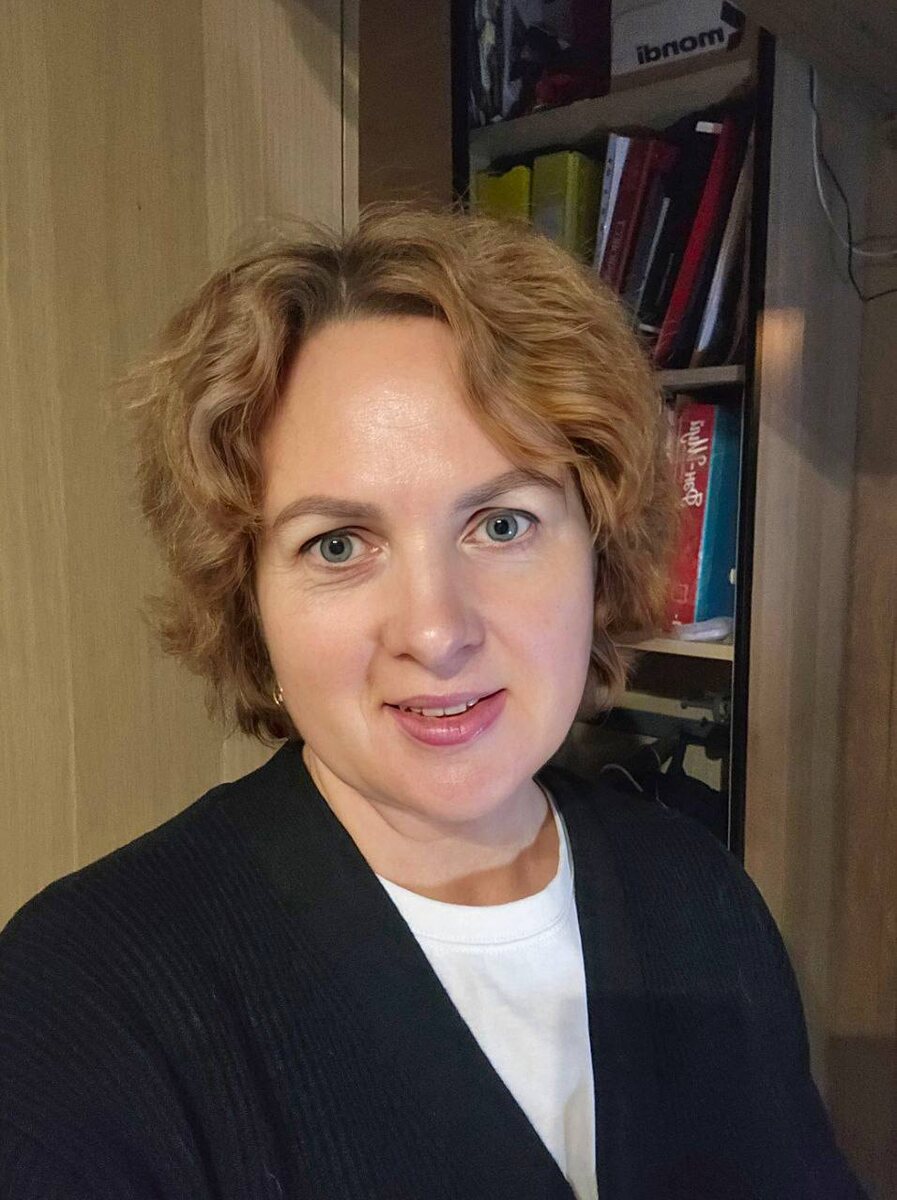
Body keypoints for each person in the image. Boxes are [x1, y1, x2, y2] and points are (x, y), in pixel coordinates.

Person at [0, 204, 867, 1199]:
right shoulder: (83, 999)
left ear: (598, 551)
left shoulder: (699, 898)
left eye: (500, 524)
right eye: (337, 544)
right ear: (251, 605)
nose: (436, 629)